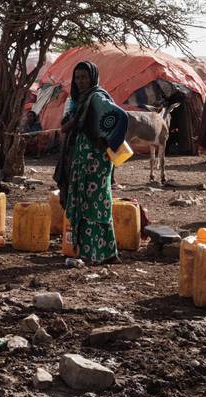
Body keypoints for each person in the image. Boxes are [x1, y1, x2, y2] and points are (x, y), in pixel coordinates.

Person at [54, 61, 126, 265]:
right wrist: (74, 122)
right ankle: (91, 251)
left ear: (92, 77)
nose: (80, 81)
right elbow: (67, 125)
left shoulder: (97, 97)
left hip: (96, 160)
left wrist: (111, 140)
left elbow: (119, 116)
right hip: (80, 157)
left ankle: (101, 252)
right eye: (77, 78)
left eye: (84, 77)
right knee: (83, 201)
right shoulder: (77, 100)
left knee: (97, 203)